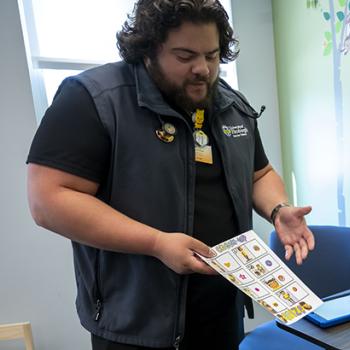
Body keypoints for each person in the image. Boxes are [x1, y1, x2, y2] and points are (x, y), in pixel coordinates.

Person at [26, 0, 315, 349]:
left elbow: (259, 174)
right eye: (184, 56)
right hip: (137, 321)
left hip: (222, 308)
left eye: (212, 55)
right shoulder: (94, 98)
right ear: (148, 48)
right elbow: (49, 200)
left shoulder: (230, 103)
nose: (203, 69)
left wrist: (278, 209)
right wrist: (157, 243)